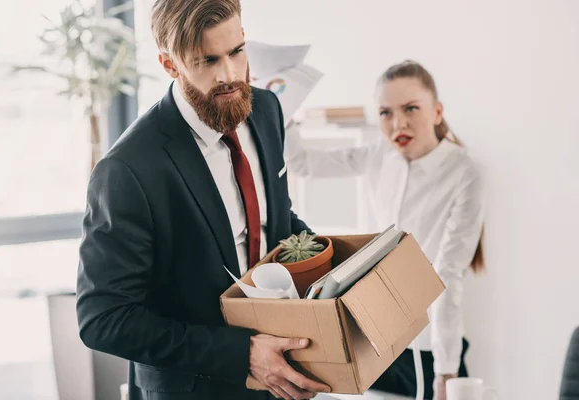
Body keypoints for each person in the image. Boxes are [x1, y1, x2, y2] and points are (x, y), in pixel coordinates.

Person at [75, 1, 332, 399]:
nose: (230, 75)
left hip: (283, 376)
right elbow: (104, 319)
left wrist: (337, 270)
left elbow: (274, 219)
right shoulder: (128, 169)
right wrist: (242, 354)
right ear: (170, 64)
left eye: (236, 52)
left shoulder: (266, 109)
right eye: (207, 60)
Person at [285, 60, 485, 400]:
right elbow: (303, 163)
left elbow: (447, 273)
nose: (398, 124)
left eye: (410, 109)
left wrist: (446, 372)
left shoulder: (464, 170)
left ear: (437, 111)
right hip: (377, 340)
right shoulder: (378, 155)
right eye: (385, 113)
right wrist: (285, 106)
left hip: (432, 347)